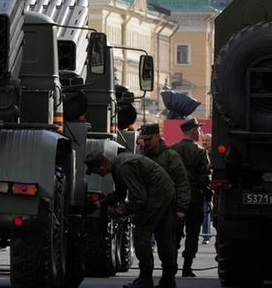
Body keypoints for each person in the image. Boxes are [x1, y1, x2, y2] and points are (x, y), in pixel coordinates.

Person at [86, 148, 180, 288]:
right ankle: (168, 279)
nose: (96, 174)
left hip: (157, 195)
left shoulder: (123, 168)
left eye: (95, 171)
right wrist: (102, 203)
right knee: (164, 236)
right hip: (165, 191)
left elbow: (140, 199)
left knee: (141, 235)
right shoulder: (117, 165)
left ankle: (145, 279)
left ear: (101, 167)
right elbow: (120, 193)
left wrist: (119, 211)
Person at [139, 123, 191, 284]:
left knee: (166, 245)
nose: (146, 142)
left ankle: (168, 278)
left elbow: (182, 183)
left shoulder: (170, 156)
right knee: (142, 243)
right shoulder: (141, 155)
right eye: (144, 139)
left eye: (149, 139)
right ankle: (144, 277)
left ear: (157, 136)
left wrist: (181, 208)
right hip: (147, 206)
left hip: (166, 208)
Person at [170, 118, 212, 276]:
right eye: (199, 130)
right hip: (194, 198)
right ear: (194, 131)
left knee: (174, 234)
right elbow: (205, 178)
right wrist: (208, 196)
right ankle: (187, 267)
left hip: (176, 197)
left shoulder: (173, 149)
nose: (200, 133)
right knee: (193, 234)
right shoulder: (200, 152)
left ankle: (171, 265)